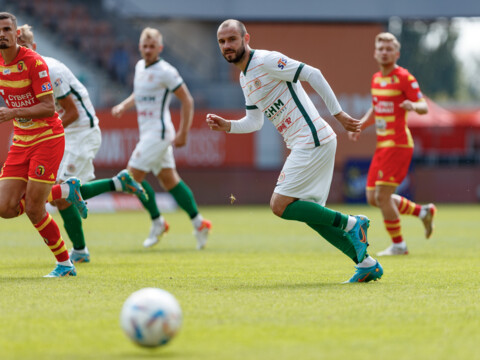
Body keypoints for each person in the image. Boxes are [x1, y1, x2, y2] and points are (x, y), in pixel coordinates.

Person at [208, 19, 383, 283]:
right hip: (309, 142)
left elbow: (313, 73)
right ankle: (366, 263)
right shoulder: (245, 79)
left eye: (232, 39)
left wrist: (338, 114)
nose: (227, 46)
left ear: (246, 38)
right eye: (222, 42)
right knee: (313, 215)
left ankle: (353, 223)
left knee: (279, 205)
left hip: (312, 139)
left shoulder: (266, 61)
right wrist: (227, 126)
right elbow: (254, 122)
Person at [17, 24, 147, 263]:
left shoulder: (51, 70)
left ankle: (79, 250)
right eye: (17, 46)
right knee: (59, 194)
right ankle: (117, 184)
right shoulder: (21, 75)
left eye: (24, 45)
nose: (20, 50)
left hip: (81, 132)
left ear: (34, 47)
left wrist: (43, 134)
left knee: (62, 193)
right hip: (64, 134)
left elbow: (72, 112)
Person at [111, 27, 211, 250]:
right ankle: (199, 223)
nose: (147, 50)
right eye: (144, 46)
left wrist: (183, 132)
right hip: (148, 132)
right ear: (139, 47)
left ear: (160, 48)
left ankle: (157, 221)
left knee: (130, 179)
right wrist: (124, 105)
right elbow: (141, 92)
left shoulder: (167, 71)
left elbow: (187, 100)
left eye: (152, 47)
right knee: (169, 180)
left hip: (160, 132)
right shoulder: (139, 67)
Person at [0, 12, 75, 277]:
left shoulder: (34, 62)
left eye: (7, 29)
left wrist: (12, 113)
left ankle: (65, 264)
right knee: (5, 207)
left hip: (47, 138)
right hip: (22, 141)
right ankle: (62, 191)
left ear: (16, 33)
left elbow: (48, 107)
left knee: (33, 208)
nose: (2, 34)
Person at [348, 32, 436, 256]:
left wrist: (413, 106)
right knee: (372, 198)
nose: (385, 52)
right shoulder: (376, 78)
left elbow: (424, 106)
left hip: (398, 144)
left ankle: (399, 245)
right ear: (375, 53)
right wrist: (361, 126)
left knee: (382, 197)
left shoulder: (404, 77)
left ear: (396, 54)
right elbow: (376, 108)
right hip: (382, 145)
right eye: (381, 48)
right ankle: (422, 212)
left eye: (389, 49)